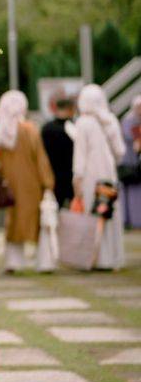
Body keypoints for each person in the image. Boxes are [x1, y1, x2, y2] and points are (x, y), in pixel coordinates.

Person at [0, 90, 56, 272]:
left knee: (13, 224)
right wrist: (48, 183)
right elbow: (41, 159)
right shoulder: (30, 129)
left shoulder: (1, 133)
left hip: (10, 186)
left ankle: (14, 262)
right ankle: (44, 262)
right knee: (39, 223)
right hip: (32, 187)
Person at [72, 84, 127, 270]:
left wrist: (77, 178)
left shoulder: (83, 122)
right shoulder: (110, 120)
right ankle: (113, 258)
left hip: (90, 177)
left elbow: (80, 155)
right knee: (110, 214)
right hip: (109, 175)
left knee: (93, 216)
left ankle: (94, 258)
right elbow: (120, 151)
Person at [42, 96, 76, 207]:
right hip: (71, 178)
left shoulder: (46, 128)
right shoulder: (73, 128)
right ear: (70, 109)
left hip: (52, 177)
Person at [119, 95, 141, 228]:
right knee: (126, 193)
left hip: (137, 164)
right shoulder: (128, 122)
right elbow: (132, 137)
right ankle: (127, 220)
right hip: (128, 163)